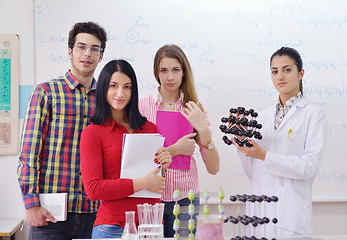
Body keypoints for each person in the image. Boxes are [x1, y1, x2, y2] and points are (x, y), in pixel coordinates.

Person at [17, 22, 107, 240]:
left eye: (95, 49)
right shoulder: (46, 92)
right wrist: (31, 204)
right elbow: (29, 153)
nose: (87, 54)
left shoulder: (107, 100)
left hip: (95, 212)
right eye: (81, 47)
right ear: (70, 51)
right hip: (51, 215)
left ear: (101, 55)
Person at [233, 47, 328, 237]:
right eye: (274, 71)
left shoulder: (313, 114)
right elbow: (254, 172)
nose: (280, 76)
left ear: (300, 73)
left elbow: (309, 168)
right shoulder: (261, 117)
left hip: (290, 217)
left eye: (287, 70)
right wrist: (243, 145)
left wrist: (264, 155)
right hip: (258, 215)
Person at [80, 59, 172, 239]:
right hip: (113, 228)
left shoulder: (150, 129)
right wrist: (143, 183)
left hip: (151, 227)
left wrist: (164, 166)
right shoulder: (93, 133)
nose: (120, 93)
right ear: (104, 88)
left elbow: (156, 182)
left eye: (127, 87)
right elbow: (94, 189)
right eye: (114, 86)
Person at [138, 44, 220, 238]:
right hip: (151, 196)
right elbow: (135, 157)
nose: (170, 77)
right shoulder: (142, 108)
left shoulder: (193, 109)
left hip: (185, 197)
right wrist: (175, 149)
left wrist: (203, 129)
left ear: (184, 72)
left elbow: (214, 168)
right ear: (156, 73)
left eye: (175, 70)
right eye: (163, 71)